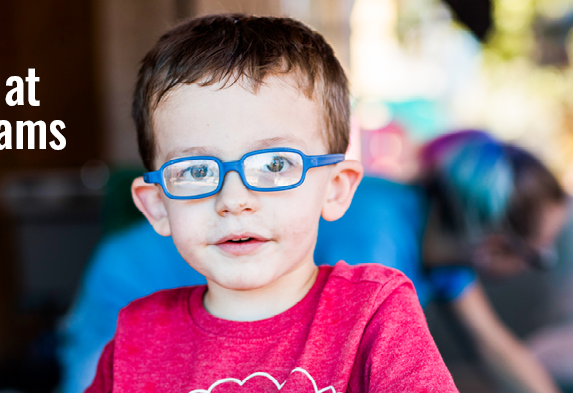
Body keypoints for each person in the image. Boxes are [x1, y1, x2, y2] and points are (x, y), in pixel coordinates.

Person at [79, 14, 458, 393]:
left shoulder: (374, 314)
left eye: (275, 164)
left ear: (336, 188)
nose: (233, 200)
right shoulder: (135, 339)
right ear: (158, 206)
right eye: (195, 171)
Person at [60, 127, 570, 392]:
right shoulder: (377, 245)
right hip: (139, 282)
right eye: (538, 257)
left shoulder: (447, 255)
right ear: (494, 246)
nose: (536, 265)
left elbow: (495, 349)